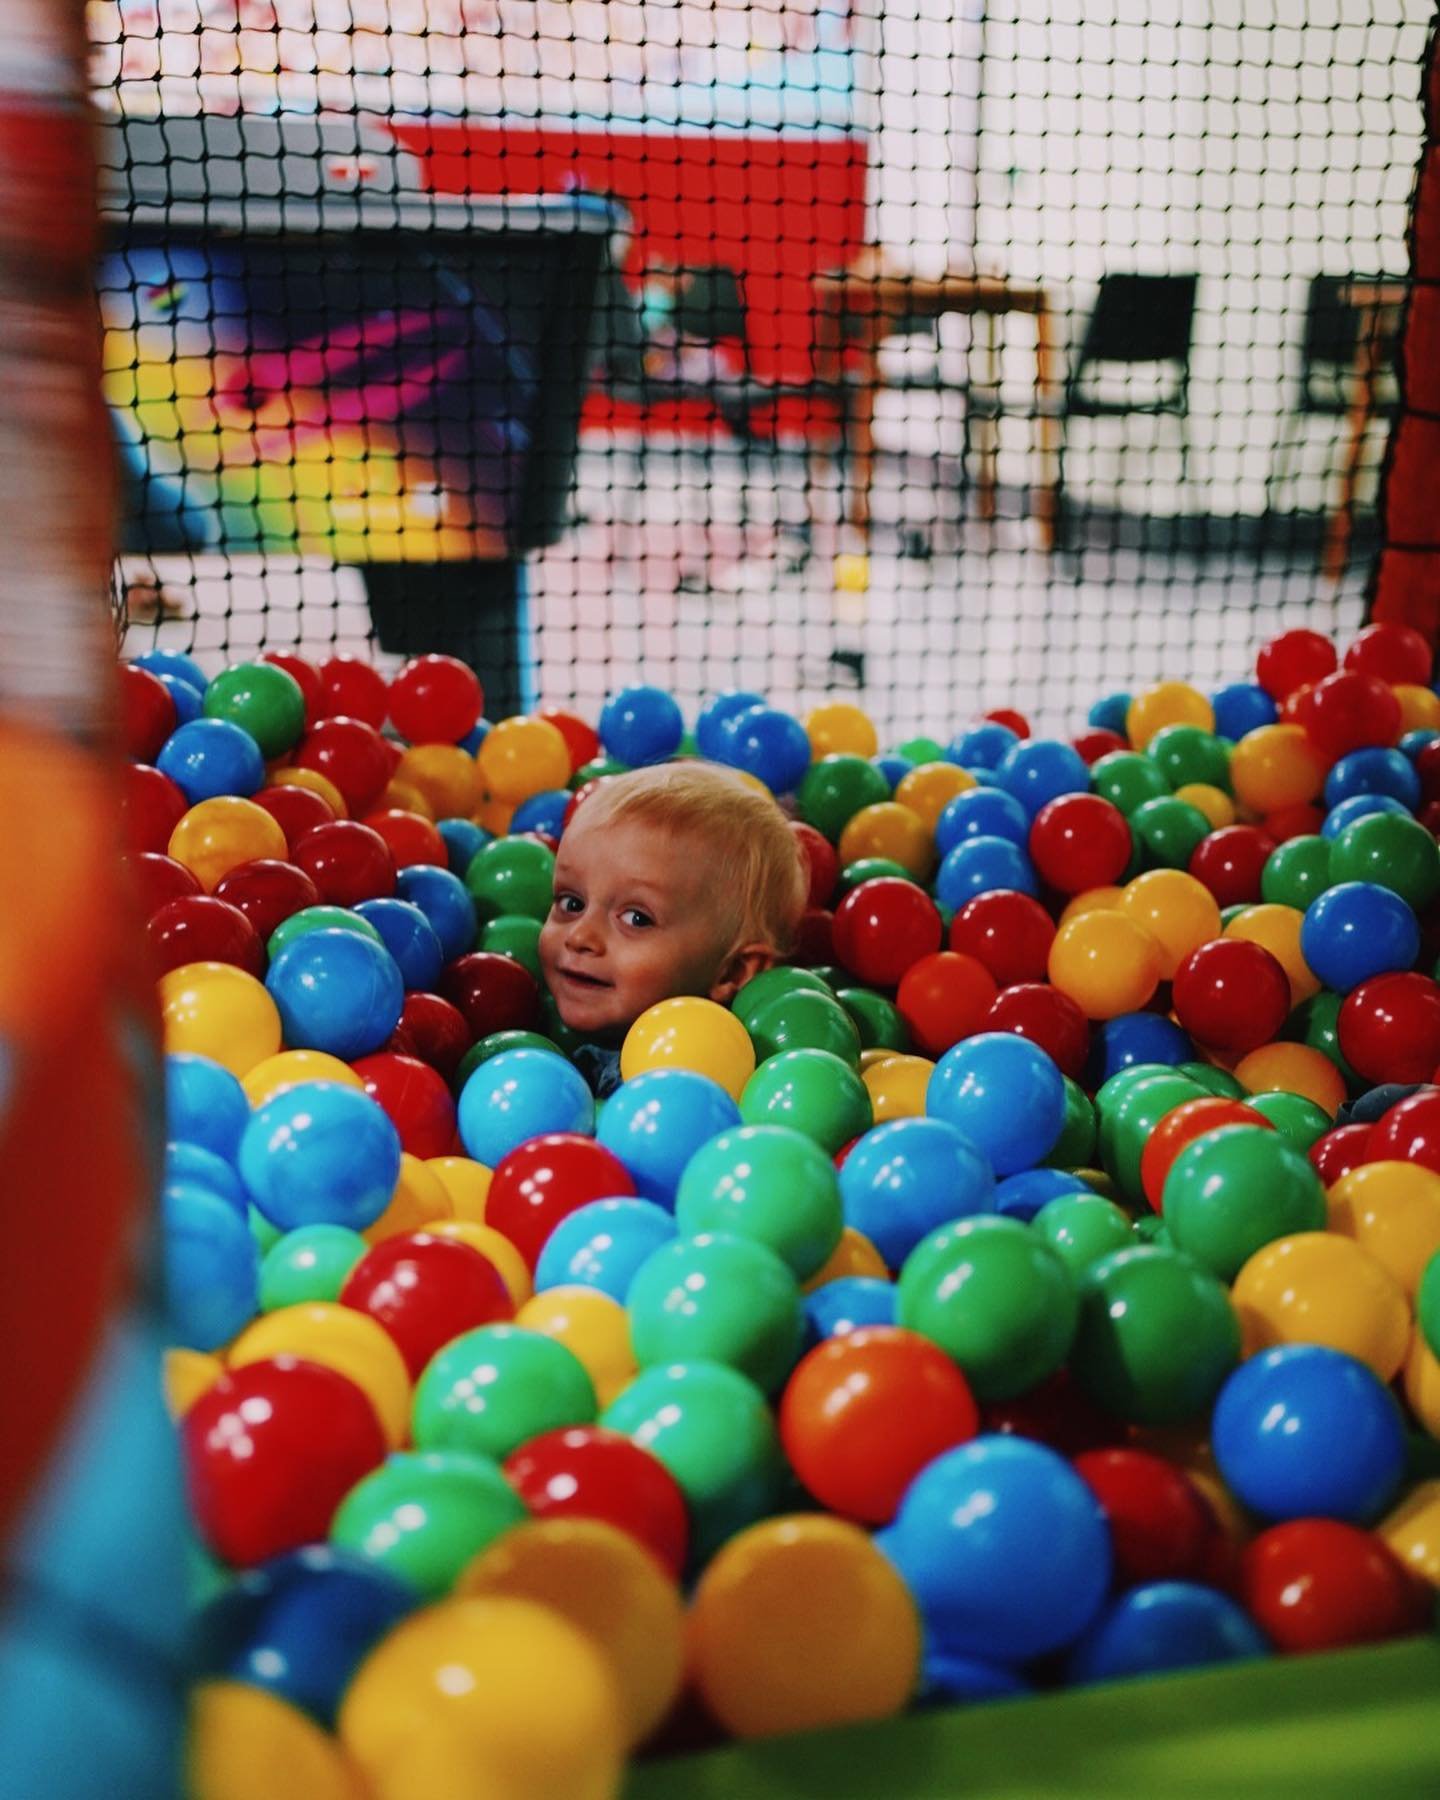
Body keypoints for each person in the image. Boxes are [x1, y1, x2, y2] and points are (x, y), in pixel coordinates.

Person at [539, 762, 806, 1094]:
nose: (580, 936)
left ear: (732, 972)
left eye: (637, 919)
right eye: (571, 903)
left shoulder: (682, 1088)